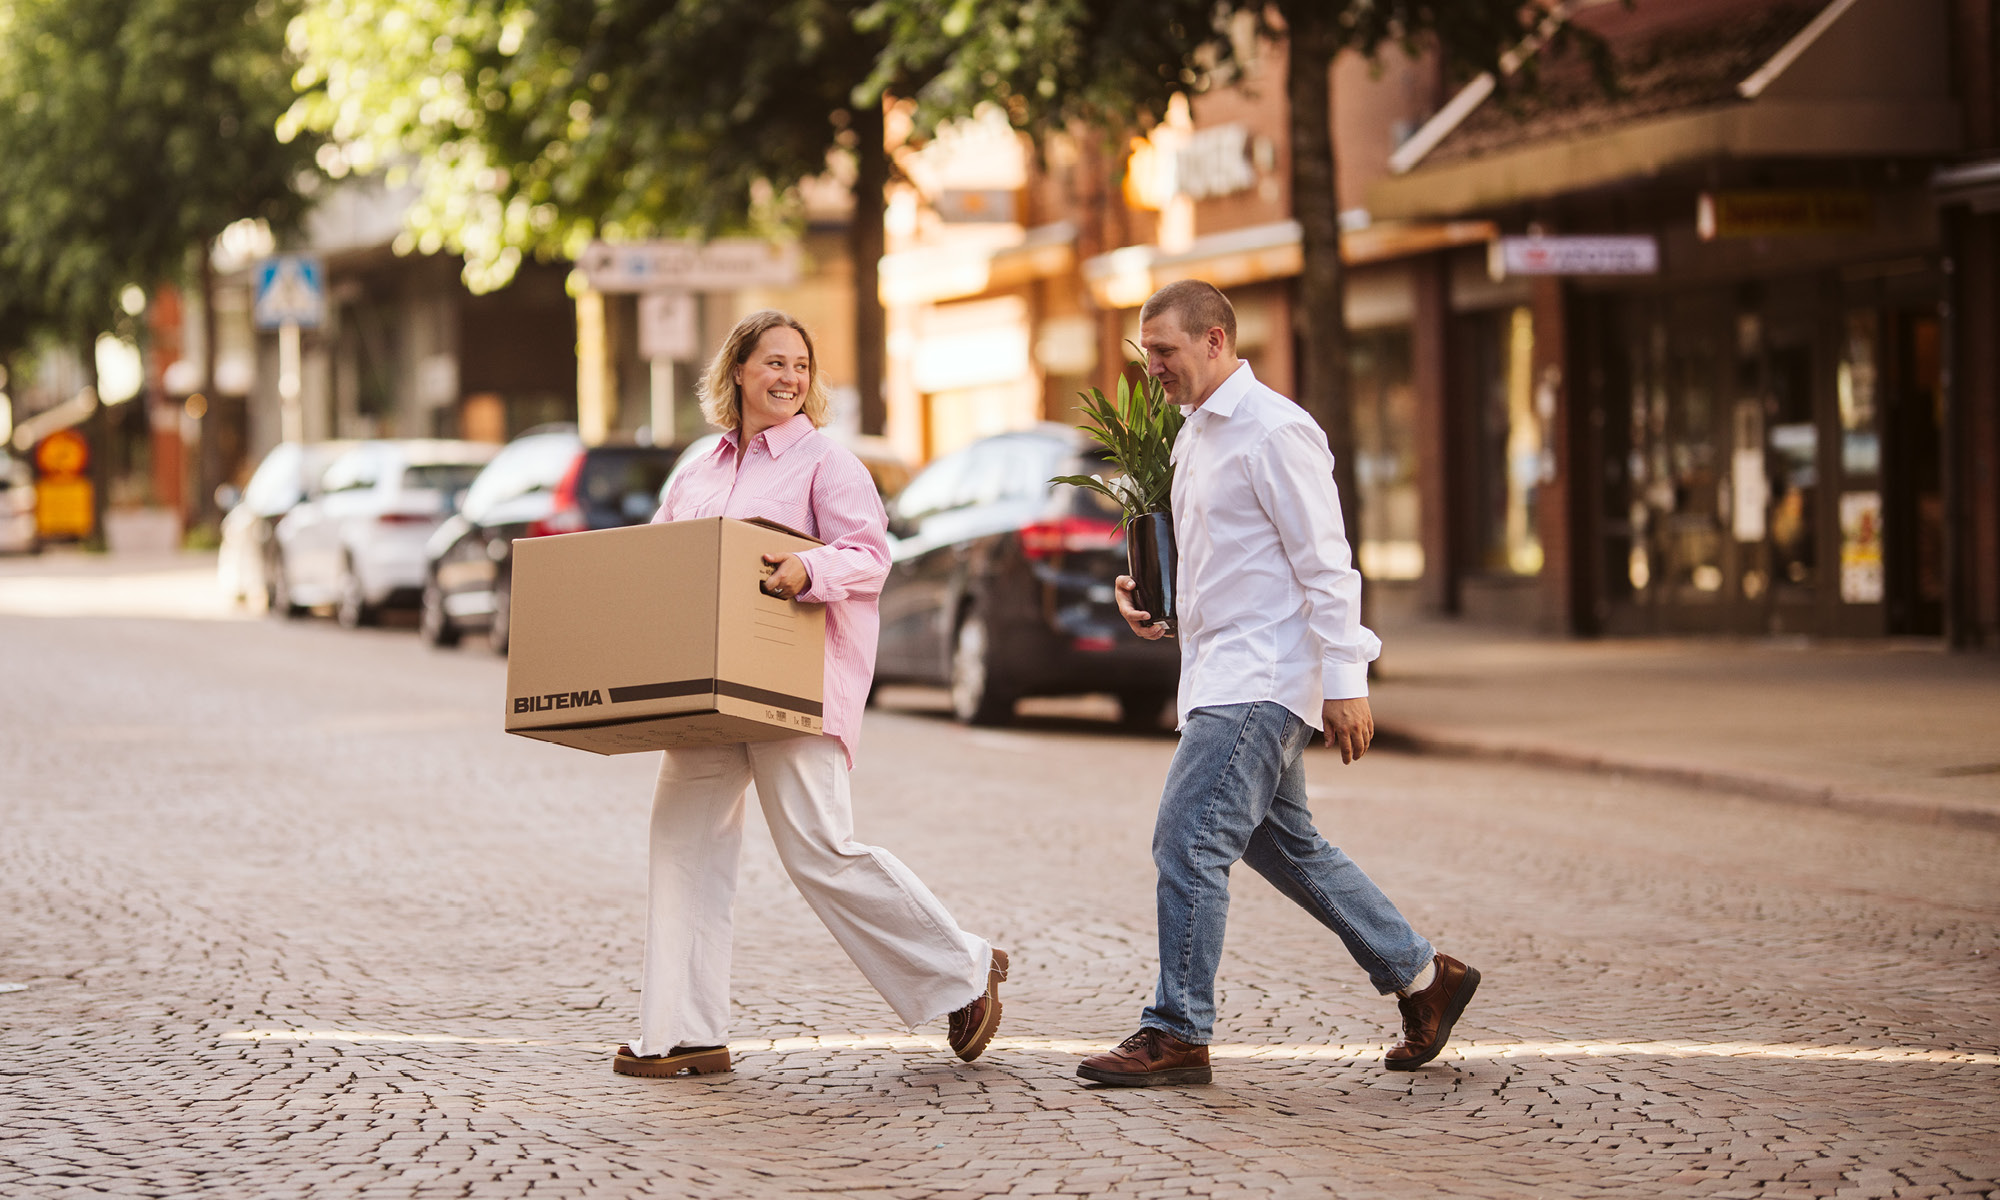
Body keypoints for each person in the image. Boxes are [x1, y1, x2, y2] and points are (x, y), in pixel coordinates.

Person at [1076, 280, 1478, 1088]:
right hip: (1223, 669)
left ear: (1217, 340)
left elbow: (1326, 565)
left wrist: (1347, 678)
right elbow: (1232, 568)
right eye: (1146, 352)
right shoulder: (1196, 435)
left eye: (1165, 351)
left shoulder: (1275, 432)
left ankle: (1177, 1029)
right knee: (1282, 842)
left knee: (1187, 839)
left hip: (1262, 679)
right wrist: (1158, 611)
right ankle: (1425, 978)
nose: (1152, 366)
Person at [613, 310, 1007, 1079]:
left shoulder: (827, 462)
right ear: (737, 371)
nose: (789, 377)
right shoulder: (697, 469)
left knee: (819, 850)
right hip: (705, 691)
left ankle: (964, 967)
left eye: (800, 364)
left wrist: (808, 570)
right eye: (773, 363)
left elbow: (870, 557)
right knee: (680, 844)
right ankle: (683, 1031)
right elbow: (659, 555)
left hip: (795, 687)